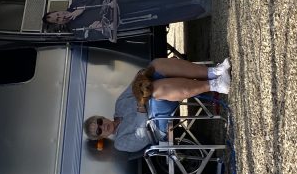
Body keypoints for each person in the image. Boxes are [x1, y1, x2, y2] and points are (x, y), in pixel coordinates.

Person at [84, 56, 231, 152]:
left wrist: (141, 76)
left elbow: (134, 86)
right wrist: (141, 106)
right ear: (101, 137)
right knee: (155, 91)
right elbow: (142, 137)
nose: (102, 126)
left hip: (152, 99)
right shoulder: (120, 143)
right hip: (156, 127)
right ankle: (217, 85)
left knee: (156, 65)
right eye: (99, 131)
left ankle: (214, 72)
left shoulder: (119, 104)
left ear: (102, 117)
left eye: (99, 122)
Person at [44, 0, 210, 42]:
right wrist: (98, 28)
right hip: (125, 20)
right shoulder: (77, 31)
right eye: (57, 20)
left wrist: (81, 8)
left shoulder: (75, 4)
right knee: (158, 13)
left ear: (58, 10)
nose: (60, 17)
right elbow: (100, 35)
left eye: (57, 14)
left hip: (124, 3)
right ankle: (197, 8)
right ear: (59, 24)